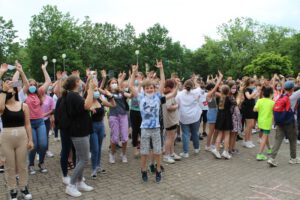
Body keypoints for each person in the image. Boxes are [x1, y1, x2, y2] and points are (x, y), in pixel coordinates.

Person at [129, 61, 176, 183]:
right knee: (144, 152)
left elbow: (163, 83)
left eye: (151, 88)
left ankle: (158, 170)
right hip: (144, 129)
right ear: (144, 89)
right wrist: (134, 72)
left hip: (156, 128)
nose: (150, 89)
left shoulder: (157, 96)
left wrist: (161, 69)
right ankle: (143, 170)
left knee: (158, 151)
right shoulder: (140, 97)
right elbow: (130, 86)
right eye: (147, 88)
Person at [58, 75, 96, 197]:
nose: (81, 82)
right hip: (79, 131)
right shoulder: (72, 96)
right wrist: (90, 89)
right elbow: (87, 105)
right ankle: (71, 185)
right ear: (75, 83)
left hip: (82, 129)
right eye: (79, 80)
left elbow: (84, 105)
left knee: (80, 158)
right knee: (85, 158)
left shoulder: (73, 95)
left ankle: (79, 182)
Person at [0, 63, 34, 200]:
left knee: (22, 164)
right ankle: (12, 189)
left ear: (14, 89)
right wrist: (2, 87)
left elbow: (27, 124)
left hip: (22, 136)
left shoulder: (23, 105)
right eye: (5, 84)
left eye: (10, 85)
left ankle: (24, 187)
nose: (8, 86)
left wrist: (30, 139)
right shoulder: (2, 103)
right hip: (6, 137)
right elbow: (0, 108)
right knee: (9, 166)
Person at [25, 62, 51, 174]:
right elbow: (24, 81)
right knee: (33, 146)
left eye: (33, 84)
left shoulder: (39, 92)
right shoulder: (24, 94)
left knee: (44, 144)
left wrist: (44, 69)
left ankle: (41, 162)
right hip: (29, 123)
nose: (32, 86)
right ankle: (30, 165)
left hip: (40, 122)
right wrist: (21, 72)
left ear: (36, 86)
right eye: (29, 84)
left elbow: (48, 81)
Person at [268, 81, 300, 167]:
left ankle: (272, 158)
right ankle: (293, 158)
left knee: (278, 140)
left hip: (280, 121)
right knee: (293, 140)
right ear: (292, 88)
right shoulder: (293, 96)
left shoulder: (280, 96)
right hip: (290, 121)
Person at [88, 81, 116, 179]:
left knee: (99, 148)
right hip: (92, 127)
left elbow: (113, 105)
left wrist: (110, 96)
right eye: (94, 90)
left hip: (101, 126)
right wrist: (89, 109)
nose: (96, 92)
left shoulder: (100, 100)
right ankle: (94, 169)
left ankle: (98, 166)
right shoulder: (88, 102)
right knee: (95, 149)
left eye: (97, 90)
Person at [107, 73, 131, 164]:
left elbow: (130, 95)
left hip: (123, 115)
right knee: (115, 138)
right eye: (112, 83)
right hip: (113, 116)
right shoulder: (107, 92)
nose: (114, 84)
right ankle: (112, 154)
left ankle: (123, 154)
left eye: (115, 82)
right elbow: (109, 96)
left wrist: (122, 89)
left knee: (125, 138)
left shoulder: (121, 92)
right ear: (109, 85)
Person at [176, 77, 203, 158]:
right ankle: (196, 148)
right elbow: (199, 87)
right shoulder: (196, 92)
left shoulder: (179, 94)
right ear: (192, 86)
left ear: (184, 85)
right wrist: (195, 80)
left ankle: (186, 152)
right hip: (195, 117)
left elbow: (177, 104)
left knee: (185, 134)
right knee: (195, 132)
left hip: (184, 117)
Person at [211, 85, 233, 159]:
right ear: (228, 91)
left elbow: (214, 92)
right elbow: (237, 103)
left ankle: (216, 150)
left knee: (219, 133)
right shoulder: (230, 98)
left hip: (220, 116)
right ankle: (225, 152)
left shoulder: (219, 97)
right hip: (227, 117)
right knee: (227, 134)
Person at [162, 79, 181, 164]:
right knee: (169, 138)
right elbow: (169, 107)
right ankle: (166, 155)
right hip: (170, 120)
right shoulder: (168, 95)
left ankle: (172, 153)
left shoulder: (168, 94)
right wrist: (177, 106)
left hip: (172, 120)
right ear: (169, 88)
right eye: (173, 87)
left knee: (172, 138)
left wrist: (177, 86)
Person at [254, 86, 274, 161]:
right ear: (271, 94)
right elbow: (274, 113)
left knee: (265, 136)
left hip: (260, 121)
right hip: (267, 122)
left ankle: (269, 149)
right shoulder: (272, 102)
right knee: (264, 137)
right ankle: (259, 154)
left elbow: (255, 109)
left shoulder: (259, 100)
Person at [241, 78, 260, 148]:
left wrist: (257, 93)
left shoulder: (252, 90)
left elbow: (254, 97)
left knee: (251, 125)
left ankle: (249, 140)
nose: (254, 85)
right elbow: (249, 97)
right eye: (253, 83)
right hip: (247, 108)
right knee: (248, 126)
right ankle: (245, 141)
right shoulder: (246, 89)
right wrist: (255, 92)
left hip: (252, 107)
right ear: (250, 83)